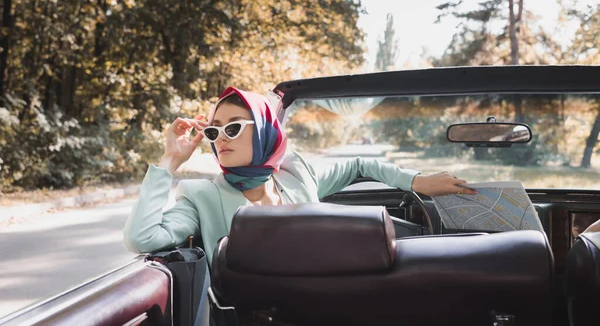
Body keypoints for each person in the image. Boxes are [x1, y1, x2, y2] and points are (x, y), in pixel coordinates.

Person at [123, 87, 477, 263]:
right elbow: (143, 238)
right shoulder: (200, 197)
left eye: (233, 127)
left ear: (264, 130)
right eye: (214, 132)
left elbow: (358, 165)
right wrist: (170, 161)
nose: (221, 140)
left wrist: (415, 181)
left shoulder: (298, 175)